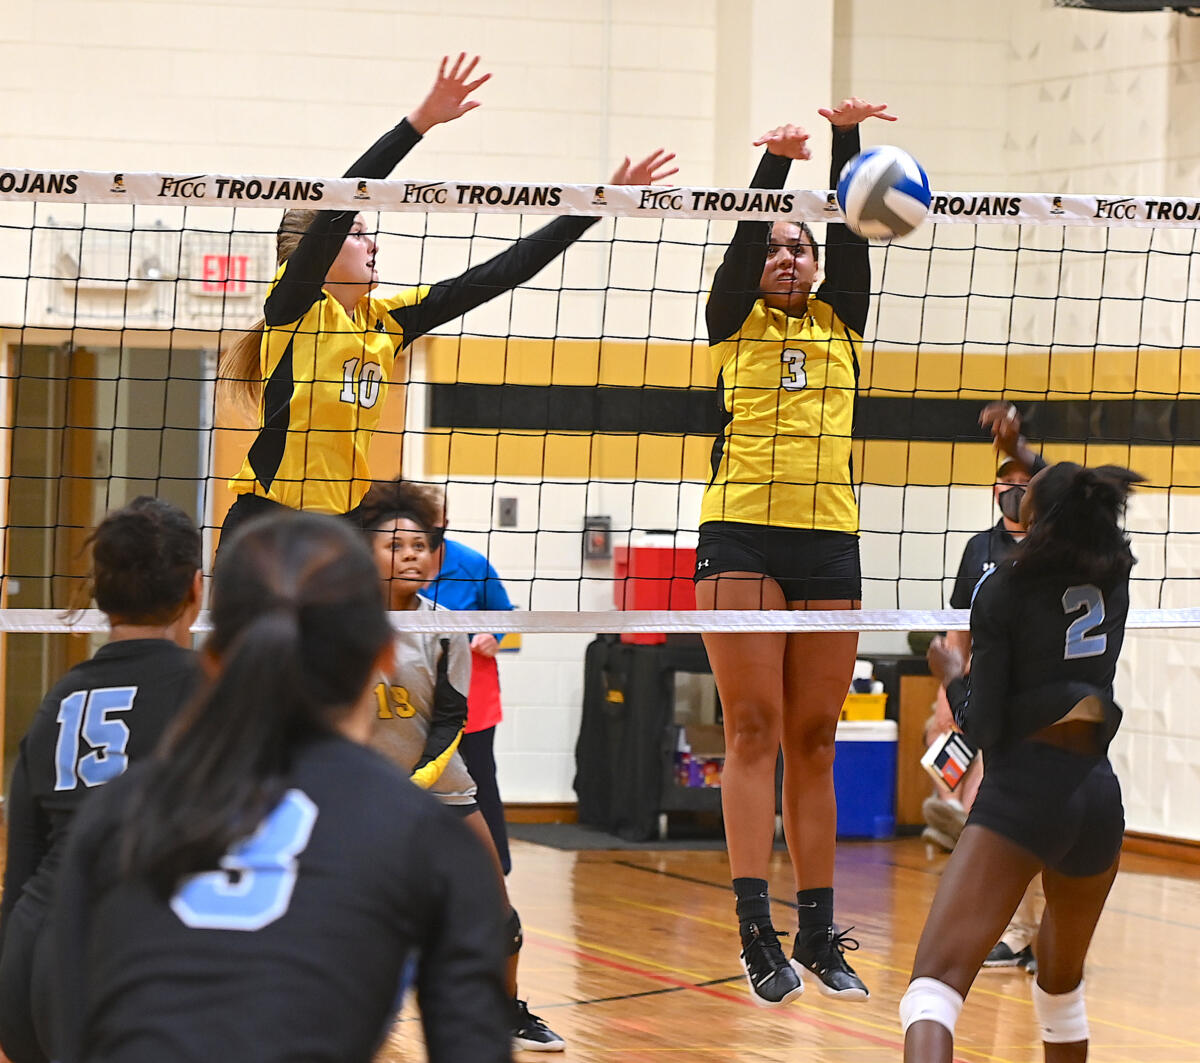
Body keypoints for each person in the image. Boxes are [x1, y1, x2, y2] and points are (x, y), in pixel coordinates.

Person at [50, 512, 511, 1063]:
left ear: (212, 658)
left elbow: (67, 1020)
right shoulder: (427, 838)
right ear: (384, 656)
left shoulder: (119, 808)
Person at [219, 53, 677, 541]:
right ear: (323, 250)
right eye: (357, 234)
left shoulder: (386, 322)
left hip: (342, 530)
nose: (372, 244)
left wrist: (593, 207)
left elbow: (500, 274)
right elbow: (340, 202)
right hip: (269, 524)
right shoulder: (294, 306)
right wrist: (418, 125)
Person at [692, 97, 896, 1007]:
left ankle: (817, 930)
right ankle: (754, 931)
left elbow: (855, 236)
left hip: (829, 541)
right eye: (776, 247)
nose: (787, 257)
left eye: (801, 248)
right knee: (752, 728)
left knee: (815, 737)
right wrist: (775, 164)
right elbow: (742, 244)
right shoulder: (733, 322)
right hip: (740, 535)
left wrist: (848, 143)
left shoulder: (841, 324)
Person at [902, 461, 1142, 1063]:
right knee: (1061, 991)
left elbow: (982, 725)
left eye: (1025, 492)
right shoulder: (1114, 577)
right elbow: (1071, 490)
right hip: (1097, 797)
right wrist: (1020, 448)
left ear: (1037, 514)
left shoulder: (1002, 589)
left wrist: (952, 678)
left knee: (931, 993)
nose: (1015, 497)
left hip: (1025, 794)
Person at [357, 479, 561, 1052]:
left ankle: (507, 1010)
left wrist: (416, 784)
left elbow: (452, 721)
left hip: (441, 788)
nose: (412, 556)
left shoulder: (444, 626)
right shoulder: (344, 624)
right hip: (364, 796)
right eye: (397, 546)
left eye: (421, 546)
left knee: (498, 914)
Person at [0, 497, 204, 1063]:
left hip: (37, 959)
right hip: (131, 961)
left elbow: (22, 861)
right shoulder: (212, 694)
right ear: (196, 588)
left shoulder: (59, 699)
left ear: (100, 592)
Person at [922, 456, 1033, 853]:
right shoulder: (978, 547)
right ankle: (952, 811)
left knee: (990, 742)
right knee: (941, 728)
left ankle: (969, 825)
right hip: (975, 669)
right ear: (994, 490)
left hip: (1020, 677)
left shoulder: (1047, 547)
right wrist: (947, 684)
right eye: (1008, 480)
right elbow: (959, 620)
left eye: (1024, 480)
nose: (1015, 488)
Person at [422, 489, 517, 877]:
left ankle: (497, 869)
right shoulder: (392, 564)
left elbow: (504, 614)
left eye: (434, 519)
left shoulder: (472, 564)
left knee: (478, 778)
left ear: (445, 521)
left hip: (472, 691)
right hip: (416, 689)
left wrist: (494, 636)